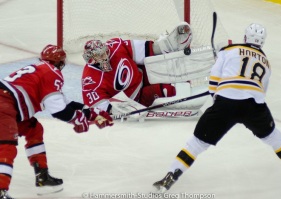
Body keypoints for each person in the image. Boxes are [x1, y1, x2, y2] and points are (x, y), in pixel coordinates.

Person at [152, 23, 281, 192]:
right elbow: (261, 90)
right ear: (262, 42)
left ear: (245, 38)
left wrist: (218, 100)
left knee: (197, 143)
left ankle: (170, 177)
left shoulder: (229, 50)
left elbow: (214, 80)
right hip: (254, 106)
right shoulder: (266, 62)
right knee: (274, 137)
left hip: (226, 102)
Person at [0, 44, 113, 199]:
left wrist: (94, 113)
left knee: (34, 129)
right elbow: (59, 111)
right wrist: (78, 119)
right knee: (6, 146)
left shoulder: (39, 69)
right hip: (4, 106)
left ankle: (42, 176)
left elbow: (65, 104)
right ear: (60, 62)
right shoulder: (52, 72)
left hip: (10, 105)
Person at [81, 22, 193, 112]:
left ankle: (188, 88)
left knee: (169, 70)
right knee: (166, 90)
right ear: (91, 59)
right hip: (135, 100)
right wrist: (116, 110)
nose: (105, 56)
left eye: (104, 51)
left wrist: (163, 46)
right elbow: (98, 106)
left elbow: (144, 50)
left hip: (144, 75)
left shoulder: (115, 46)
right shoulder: (89, 81)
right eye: (100, 55)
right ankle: (190, 99)